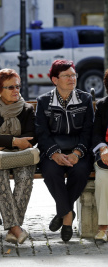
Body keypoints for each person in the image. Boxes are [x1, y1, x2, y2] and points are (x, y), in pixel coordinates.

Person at [35, 59, 94, 242]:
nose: (72, 79)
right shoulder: (44, 102)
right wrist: (55, 153)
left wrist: (77, 153)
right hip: (53, 151)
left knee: (80, 171)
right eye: (66, 76)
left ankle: (62, 214)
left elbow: (88, 131)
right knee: (51, 172)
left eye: (73, 75)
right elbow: (41, 133)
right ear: (55, 79)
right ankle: (67, 216)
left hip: (79, 151)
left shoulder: (85, 99)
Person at [0, 68, 36, 244]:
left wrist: (4, 143)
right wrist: (15, 141)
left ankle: (14, 229)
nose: (16, 90)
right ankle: (16, 228)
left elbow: (31, 137)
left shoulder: (27, 109)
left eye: (17, 86)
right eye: (10, 87)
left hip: (22, 156)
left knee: (26, 176)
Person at [92, 69, 108, 242]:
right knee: (102, 178)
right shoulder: (103, 105)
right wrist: (103, 148)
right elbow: (96, 134)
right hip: (107, 157)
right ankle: (103, 228)